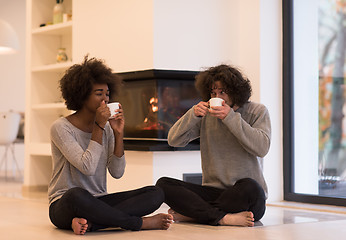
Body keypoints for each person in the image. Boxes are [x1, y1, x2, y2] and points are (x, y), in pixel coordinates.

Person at [48, 56, 173, 235]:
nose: (105, 100)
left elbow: (117, 172)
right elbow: (87, 167)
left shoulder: (107, 128)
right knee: (77, 194)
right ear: (81, 95)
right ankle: (138, 223)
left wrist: (118, 133)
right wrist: (98, 126)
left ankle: (92, 224)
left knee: (155, 193)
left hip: (99, 201)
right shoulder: (61, 128)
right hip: (65, 204)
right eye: (98, 94)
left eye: (107, 94)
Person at [156, 64, 271, 227]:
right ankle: (222, 218)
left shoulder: (257, 111)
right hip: (214, 193)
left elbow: (262, 147)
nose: (217, 96)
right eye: (213, 92)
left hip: (245, 196)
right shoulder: (206, 115)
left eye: (222, 92)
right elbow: (174, 140)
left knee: (251, 187)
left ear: (235, 90)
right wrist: (192, 114)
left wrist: (230, 117)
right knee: (163, 185)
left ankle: (196, 215)